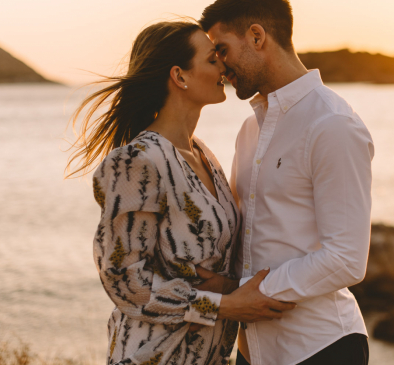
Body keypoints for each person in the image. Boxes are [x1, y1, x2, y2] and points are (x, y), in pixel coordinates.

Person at [65, 20, 295, 365]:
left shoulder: (203, 155)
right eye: (212, 58)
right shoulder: (138, 161)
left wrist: (230, 286)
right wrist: (226, 305)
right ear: (180, 76)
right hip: (153, 355)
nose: (224, 65)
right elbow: (124, 280)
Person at [197, 0, 374, 365]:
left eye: (222, 49)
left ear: (257, 36)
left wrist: (244, 293)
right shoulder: (250, 130)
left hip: (321, 349)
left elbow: (346, 258)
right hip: (252, 352)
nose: (220, 66)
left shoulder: (332, 124)